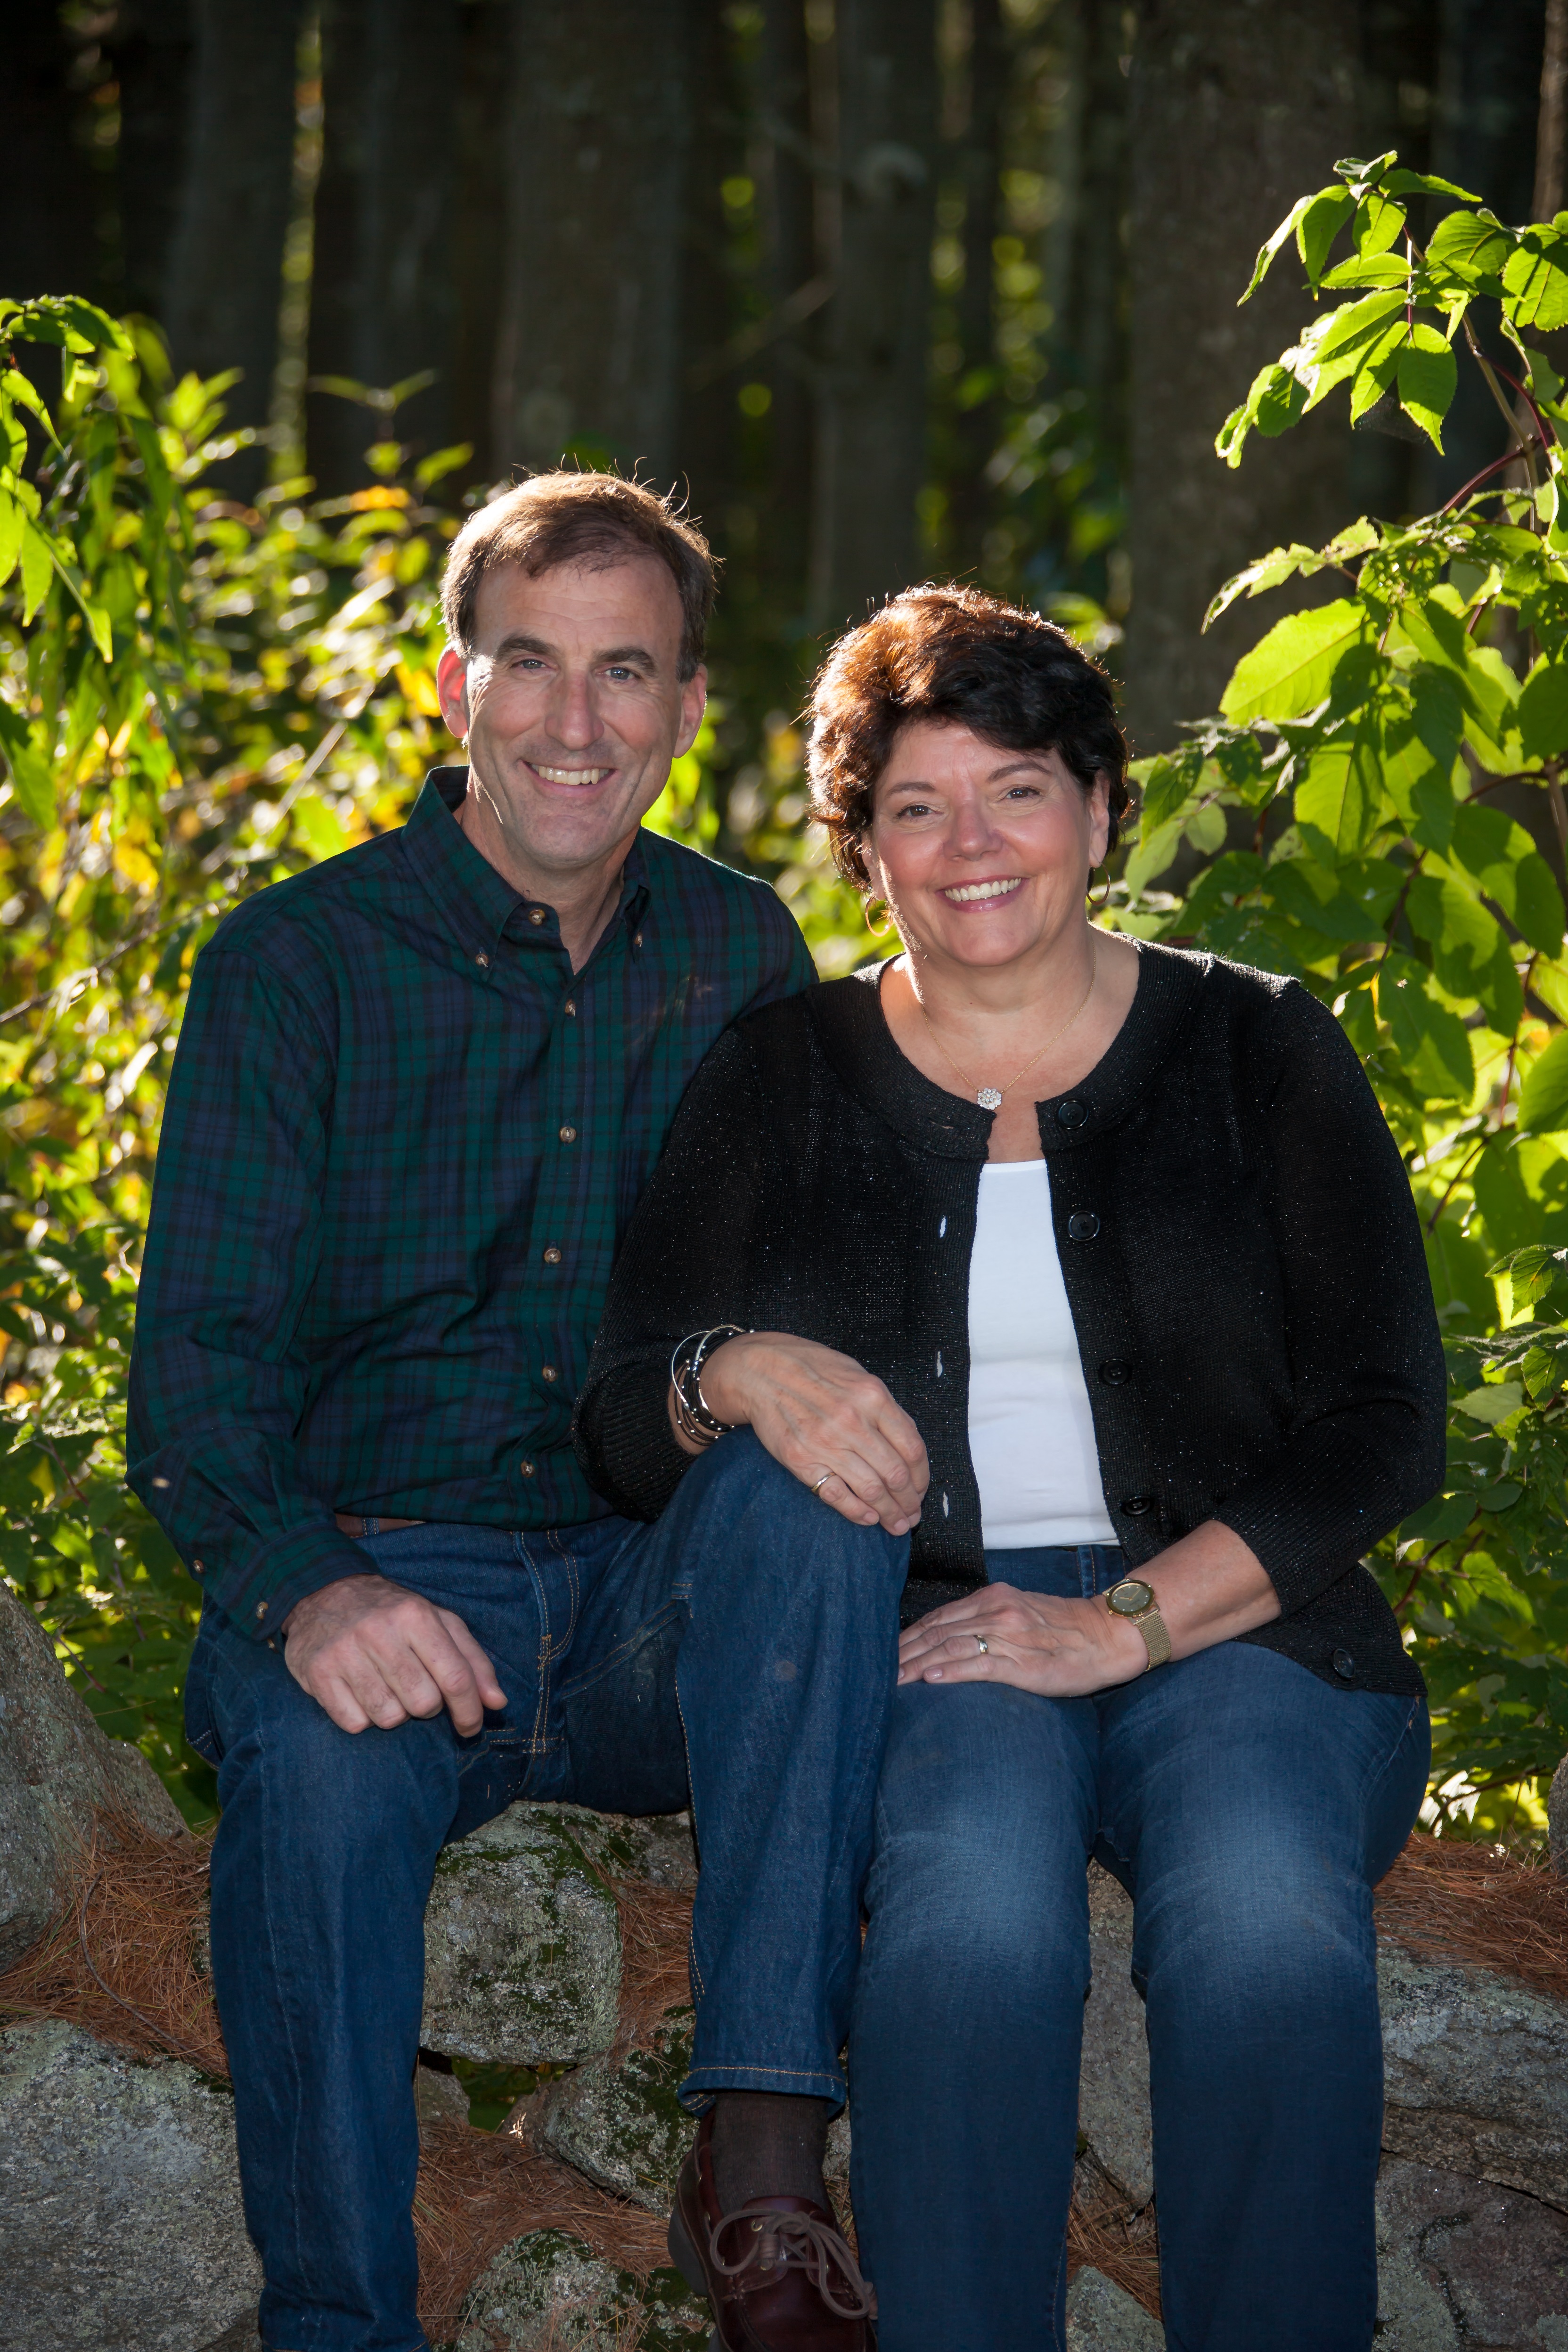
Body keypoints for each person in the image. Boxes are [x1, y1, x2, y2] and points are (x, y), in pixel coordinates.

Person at [575, 583, 1446, 2352]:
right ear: (864, 851)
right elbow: (619, 1425)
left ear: (1102, 810)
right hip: (938, 1637)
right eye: (917, 806)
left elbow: (1384, 1419)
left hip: (1247, 1630)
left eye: (1019, 791)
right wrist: (726, 1372)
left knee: (1265, 1925)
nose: (972, 846)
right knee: (969, 1927)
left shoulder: (1260, 1045)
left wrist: (1121, 1626)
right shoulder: (780, 1077)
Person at [128, 471, 896, 2352]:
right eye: (531, 662)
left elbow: (791, 1317)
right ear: (450, 683)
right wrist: (312, 1589)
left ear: (687, 706)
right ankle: (339, 2323)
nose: (576, 720)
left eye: (625, 671)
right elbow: (195, 1369)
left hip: (644, 1600)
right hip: (391, 1582)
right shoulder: (294, 966)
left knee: (816, 1494)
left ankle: (762, 2165)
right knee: (317, 1778)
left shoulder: (738, 956)